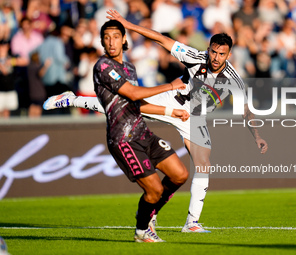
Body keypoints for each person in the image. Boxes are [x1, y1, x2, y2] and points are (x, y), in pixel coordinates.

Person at [44, 10, 268, 233]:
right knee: (124, 106)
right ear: (208, 49)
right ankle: (73, 100)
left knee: (203, 166)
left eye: (222, 54)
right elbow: (162, 39)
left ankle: (191, 223)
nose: (216, 57)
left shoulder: (234, 81)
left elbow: (247, 111)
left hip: (194, 118)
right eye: (213, 52)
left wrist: (257, 136)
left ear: (229, 55)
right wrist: (128, 25)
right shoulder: (196, 57)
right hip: (170, 99)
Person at [45, 19, 189, 243]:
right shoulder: (103, 66)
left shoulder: (129, 67)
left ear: (124, 39)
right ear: (102, 41)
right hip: (123, 139)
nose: (111, 42)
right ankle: (142, 231)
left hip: (142, 132)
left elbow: (135, 104)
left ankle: (149, 213)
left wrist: (170, 111)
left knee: (180, 174)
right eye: (106, 37)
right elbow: (132, 93)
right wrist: (170, 86)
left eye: (115, 37)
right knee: (154, 190)